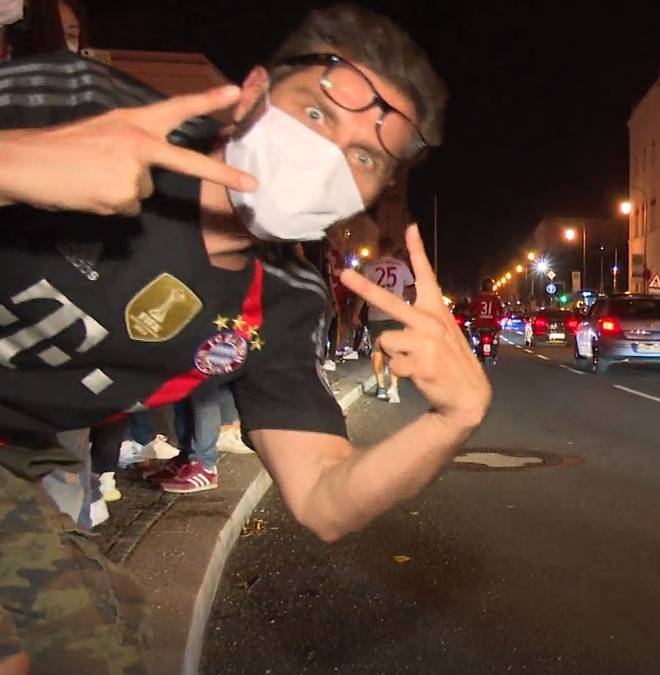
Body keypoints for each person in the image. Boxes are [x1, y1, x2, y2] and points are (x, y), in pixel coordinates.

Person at [0, 5, 492, 673]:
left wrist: (452, 420)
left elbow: (324, 497)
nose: (327, 157)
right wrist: (13, 161)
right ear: (253, 92)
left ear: (370, 193)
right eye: (316, 114)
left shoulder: (285, 302)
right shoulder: (83, 106)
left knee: (96, 644)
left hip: (14, 455)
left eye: (364, 155)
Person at [353, 233, 415, 402]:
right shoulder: (401, 266)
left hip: (376, 315)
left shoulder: (370, 267)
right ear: (392, 250)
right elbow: (411, 290)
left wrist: (356, 314)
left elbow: (362, 294)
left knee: (377, 350)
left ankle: (380, 387)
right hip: (396, 314)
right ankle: (393, 389)